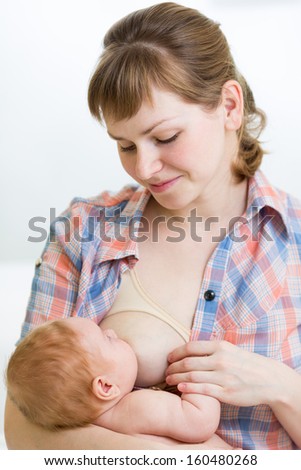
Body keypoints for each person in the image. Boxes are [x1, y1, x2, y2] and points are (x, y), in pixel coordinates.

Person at [5, 2, 301, 450]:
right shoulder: (81, 232)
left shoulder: (293, 239)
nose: (143, 166)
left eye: (165, 137)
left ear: (229, 106)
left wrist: (282, 387)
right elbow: (23, 424)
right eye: (124, 144)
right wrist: (208, 458)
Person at [6, 317, 220, 444]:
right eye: (107, 338)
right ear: (105, 386)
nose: (111, 330)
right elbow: (200, 421)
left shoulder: (93, 421)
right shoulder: (136, 408)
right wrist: (199, 370)